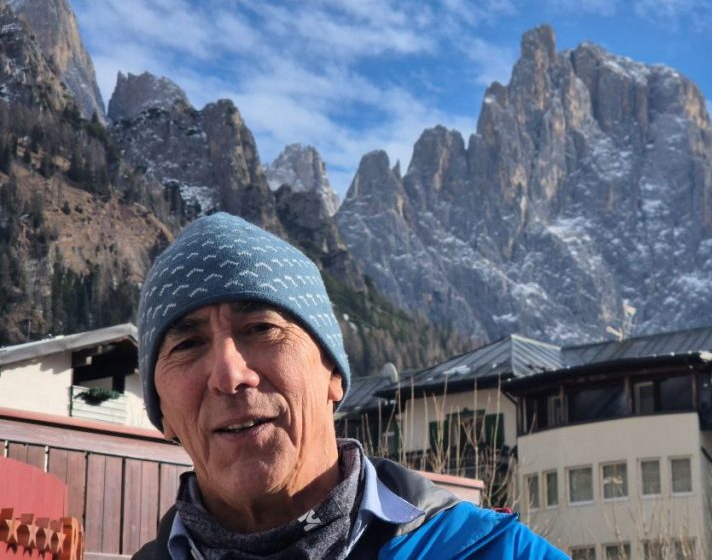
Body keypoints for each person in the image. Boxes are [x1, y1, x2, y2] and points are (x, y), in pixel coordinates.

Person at [132, 212, 567, 560]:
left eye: (261, 328)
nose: (229, 375)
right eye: (187, 344)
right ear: (162, 413)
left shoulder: (490, 552)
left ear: (334, 374)